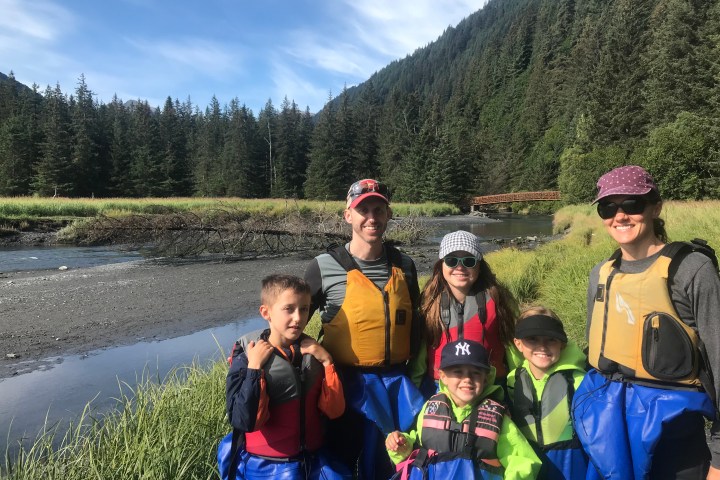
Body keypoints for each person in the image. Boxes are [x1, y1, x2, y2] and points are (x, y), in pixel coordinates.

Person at [572, 165, 720, 479]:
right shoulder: (600, 274)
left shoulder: (691, 269)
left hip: (675, 440)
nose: (620, 216)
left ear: (655, 207)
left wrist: (719, 460)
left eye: (633, 205)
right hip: (612, 432)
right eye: (608, 207)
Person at [304, 178, 425, 479]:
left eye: (379, 210)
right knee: (340, 460)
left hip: (396, 384)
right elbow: (291, 321)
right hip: (344, 386)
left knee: (388, 465)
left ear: (388, 215)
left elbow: (420, 322)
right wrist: (306, 346)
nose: (372, 217)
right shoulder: (324, 266)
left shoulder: (405, 265)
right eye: (363, 210)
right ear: (348, 215)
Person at [219, 274, 350, 480]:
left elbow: (335, 411)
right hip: (266, 465)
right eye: (288, 309)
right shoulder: (247, 355)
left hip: (311, 459)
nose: (298, 318)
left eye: (304, 309)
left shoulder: (315, 351)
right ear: (266, 312)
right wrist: (254, 368)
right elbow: (244, 421)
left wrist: (327, 362)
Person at [385, 339, 541, 479]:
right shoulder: (430, 408)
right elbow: (418, 444)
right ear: (443, 376)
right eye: (458, 372)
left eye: (475, 373)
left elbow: (523, 462)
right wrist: (402, 445)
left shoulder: (498, 419)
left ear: (485, 378)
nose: (467, 379)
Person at [410, 230, 519, 393]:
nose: (459, 267)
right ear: (441, 265)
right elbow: (420, 356)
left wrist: (517, 387)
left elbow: (513, 348)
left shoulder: (498, 300)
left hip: (489, 385)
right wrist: (415, 390)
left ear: (479, 266)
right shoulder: (428, 302)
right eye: (451, 260)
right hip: (439, 387)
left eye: (469, 261)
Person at [506, 306, 590, 480]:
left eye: (551, 339)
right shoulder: (513, 381)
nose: (542, 347)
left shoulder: (580, 382)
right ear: (518, 344)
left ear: (562, 344)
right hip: (532, 471)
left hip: (571, 470)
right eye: (532, 339)